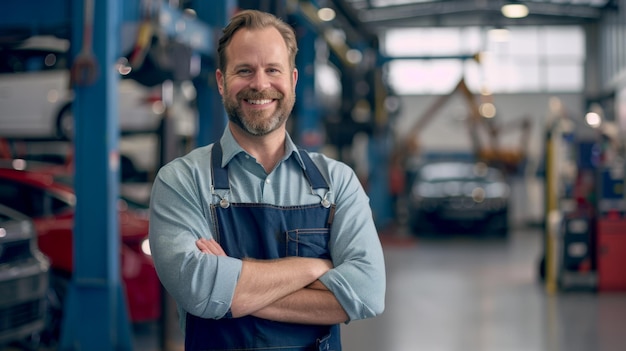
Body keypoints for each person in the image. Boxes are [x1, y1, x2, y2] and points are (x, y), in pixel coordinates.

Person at [149, 9, 386, 351]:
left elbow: (367, 293)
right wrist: (315, 268)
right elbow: (197, 290)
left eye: (272, 70)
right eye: (244, 70)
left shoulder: (337, 182)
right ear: (221, 81)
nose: (260, 85)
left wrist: (232, 292)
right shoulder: (182, 180)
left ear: (292, 80)